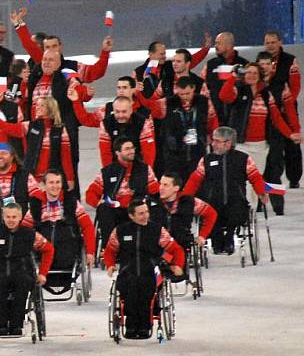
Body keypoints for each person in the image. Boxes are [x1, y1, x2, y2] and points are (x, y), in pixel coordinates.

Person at [218, 62, 302, 199]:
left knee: (255, 181)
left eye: (255, 73)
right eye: (248, 72)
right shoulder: (237, 90)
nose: (251, 75)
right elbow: (224, 96)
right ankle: (243, 211)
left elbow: (277, 118)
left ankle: (252, 212)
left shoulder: (266, 95)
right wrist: (232, 77)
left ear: (260, 76)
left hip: (261, 146)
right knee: (242, 179)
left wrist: (290, 134)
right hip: (241, 144)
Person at [103, 200, 185, 339]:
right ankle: (131, 325)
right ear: (131, 215)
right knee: (131, 283)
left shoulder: (157, 230)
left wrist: (178, 264)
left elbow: (176, 249)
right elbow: (110, 250)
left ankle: (145, 325)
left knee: (146, 285)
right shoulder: (120, 231)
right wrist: (110, 264)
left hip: (151, 268)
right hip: (128, 269)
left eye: (146, 212)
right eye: (141, 213)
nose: (145, 216)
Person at [182, 126, 268, 255]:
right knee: (210, 215)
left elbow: (255, 177)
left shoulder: (243, 158)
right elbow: (195, 180)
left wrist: (261, 192)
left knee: (237, 214)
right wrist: (185, 197)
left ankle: (229, 237)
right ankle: (217, 241)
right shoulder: (206, 160)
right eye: (213, 140)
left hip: (236, 201)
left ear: (228, 143)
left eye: (217, 141)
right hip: (212, 201)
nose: (213, 144)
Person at [0, 203, 54, 337]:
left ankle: (17, 325)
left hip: (22, 270)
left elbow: (48, 249)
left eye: (14, 217)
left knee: (22, 286)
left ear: (20, 217)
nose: (11, 220)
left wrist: (43, 273)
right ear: (3, 217)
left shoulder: (30, 234)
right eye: (8, 217)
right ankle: (2, 325)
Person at [85, 138, 160, 253]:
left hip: (138, 207)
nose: (131, 151)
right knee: (104, 208)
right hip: (116, 209)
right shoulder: (107, 171)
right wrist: (97, 202)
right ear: (117, 152)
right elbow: (90, 194)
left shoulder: (144, 169)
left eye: (132, 148)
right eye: (127, 149)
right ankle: (109, 250)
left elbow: (155, 191)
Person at [11, 7, 111, 83]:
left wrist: (105, 51)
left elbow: (97, 72)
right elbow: (29, 45)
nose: (51, 50)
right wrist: (18, 23)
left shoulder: (73, 67)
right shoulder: (41, 65)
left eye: (54, 46)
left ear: (60, 47)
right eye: (47, 47)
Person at [25, 169, 96, 270]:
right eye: (51, 182)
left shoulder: (71, 202)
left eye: (58, 182)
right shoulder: (36, 204)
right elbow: (23, 230)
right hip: (42, 254)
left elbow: (87, 226)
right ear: (44, 185)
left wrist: (90, 252)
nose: (55, 186)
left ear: (62, 184)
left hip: (67, 252)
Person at [69, 86, 155, 169]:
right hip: (116, 167)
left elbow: (148, 153)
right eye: (119, 87)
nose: (121, 91)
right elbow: (105, 153)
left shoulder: (144, 120)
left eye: (125, 87)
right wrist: (76, 101)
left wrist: (146, 173)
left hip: (139, 167)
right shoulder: (106, 116)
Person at [262, 31, 301, 189]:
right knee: (274, 146)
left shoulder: (290, 60)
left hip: (286, 109)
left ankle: (294, 177)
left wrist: (287, 103)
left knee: (292, 145)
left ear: (280, 42)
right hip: (268, 112)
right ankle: (273, 178)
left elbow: (295, 86)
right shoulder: (261, 61)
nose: (270, 45)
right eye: (267, 42)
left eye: (273, 42)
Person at [158, 77, 212, 184]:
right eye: (181, 94)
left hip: (197, 150)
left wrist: (211, 138)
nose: (184, 97)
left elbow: (212, 120)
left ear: (194, 89)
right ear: (176, 90)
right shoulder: (167, 102)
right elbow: (149, 106)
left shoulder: (204, 102)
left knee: (198, 184)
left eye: (187, 93)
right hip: (174, 153)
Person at [148, 172, 217, 252]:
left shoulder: (188, 202)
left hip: (182, 244)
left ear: (176, 188)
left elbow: (211, 214)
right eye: (161, 184)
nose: (161, 188)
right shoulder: (151, 202)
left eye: (165, 185)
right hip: (157, 245)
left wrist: (202, 236)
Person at [23, 95, 76, 188]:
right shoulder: (30, 126)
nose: (37, 108)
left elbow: (66, 156)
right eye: (37, 105)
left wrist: (70, 178)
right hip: (32, 178)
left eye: (41, 105)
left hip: (51, 179)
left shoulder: (60, 130)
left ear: (50, 108)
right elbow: (8, 128)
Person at [202, 32, 249, 126]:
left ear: (228, 45)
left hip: (238, 119)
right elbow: (204, 90)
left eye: (218, 43)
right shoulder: (210, 64)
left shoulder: (244, 65)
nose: (215, 46)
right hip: (216, 119)